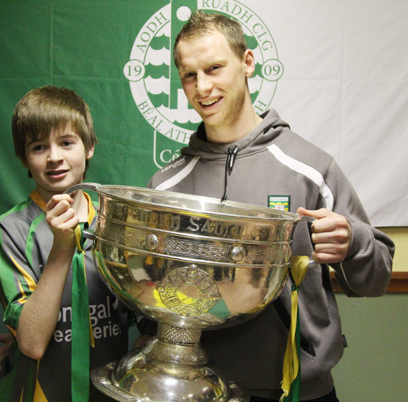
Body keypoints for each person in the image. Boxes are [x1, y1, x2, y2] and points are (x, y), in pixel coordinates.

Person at [147, 11, 395, 402]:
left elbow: (377, 277)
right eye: (190, 76)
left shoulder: (310, 168)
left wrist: (353, 244)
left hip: (297, 389)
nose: (203, 87)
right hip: (196, 389)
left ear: (247, 63)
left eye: (214, 68)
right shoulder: (166, 185)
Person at [0, 86, 129, 401]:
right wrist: (62, 246)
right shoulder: (10, 229)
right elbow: (33, 343)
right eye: (39, 147)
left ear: (89, 146)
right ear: (23, 156)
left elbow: (139, 313)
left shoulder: (115, 224)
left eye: (67, 142)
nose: (54, 157)